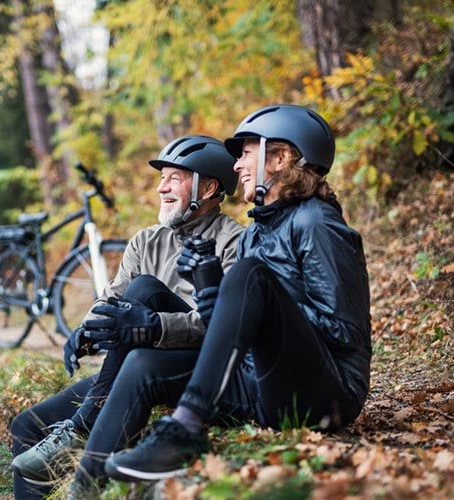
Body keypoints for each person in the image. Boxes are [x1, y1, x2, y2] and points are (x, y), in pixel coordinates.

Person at [101, 104, 372, 482]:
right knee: (143, 365)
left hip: (328, 395)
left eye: (246, 153)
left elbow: (347, 332)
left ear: (279, 157)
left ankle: (186, 428)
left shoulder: (317, 223)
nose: (236, 165)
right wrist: (214, 295)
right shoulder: (255, 234)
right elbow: (234, 338)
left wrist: (264, 300)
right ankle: (84, 483)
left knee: (251, 275)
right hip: (262, 385)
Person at [9, 135, 244, 499]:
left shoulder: (234, 241)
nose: (161, 187)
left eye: (174, 178)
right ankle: (74, 432)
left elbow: (223, 324)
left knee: (145, 290)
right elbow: (112, 298)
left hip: (191, 365)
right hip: (133, 363)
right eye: (161, 178)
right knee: (26, 426)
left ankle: (81, 427)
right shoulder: (145, 241)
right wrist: (87, 331)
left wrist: (152, 327)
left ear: (210, 187)